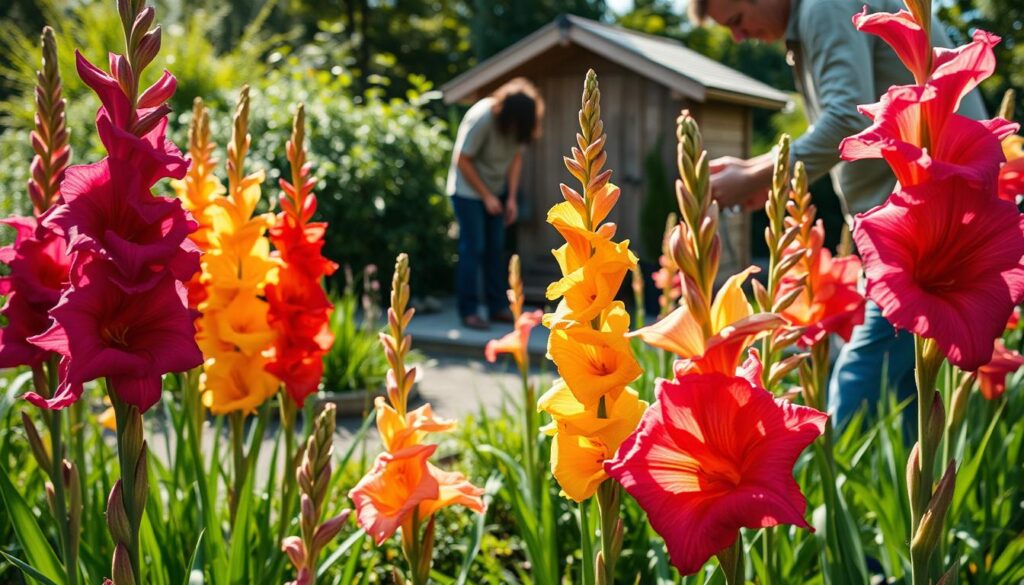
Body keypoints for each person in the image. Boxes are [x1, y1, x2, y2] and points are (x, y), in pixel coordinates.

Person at [689, 0, 987, 428]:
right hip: (929, 213)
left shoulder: (821, 6)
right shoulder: (811, 17)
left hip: (929, 221)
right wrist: (758, 175)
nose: (738, 37)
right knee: (909, 395)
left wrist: (757, 177)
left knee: (857, 379)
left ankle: (833, 491)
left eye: (736, 20)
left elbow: (848, 119)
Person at [446, 77, 544, 330]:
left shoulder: (518, 125)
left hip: (496, 191)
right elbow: (462, 159)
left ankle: (497, 307)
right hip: (467, 191)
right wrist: (486, 196)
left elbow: (515, 160)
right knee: (473, 247)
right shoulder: (483, 117)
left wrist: (510, 197)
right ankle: (468, 311)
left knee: (496, 248)